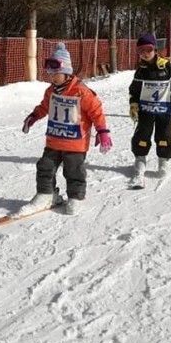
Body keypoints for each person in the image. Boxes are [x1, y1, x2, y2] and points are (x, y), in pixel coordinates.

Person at [20, 43, 111, 216]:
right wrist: (33, 116)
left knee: (74, 171)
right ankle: (47, 194)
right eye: (51, 74)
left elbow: (96, 111)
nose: (53, 78)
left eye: (56, 74)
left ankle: (75, 197)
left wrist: (103, 131)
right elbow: (44, 106)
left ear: (67, 72)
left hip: (76, 143)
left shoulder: (81, 92)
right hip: (54, 139)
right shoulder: (51, 91)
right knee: (45, 167)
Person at [128, 33, 171, 187]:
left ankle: (163, 161)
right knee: (142, 134)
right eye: (141, 51)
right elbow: (134, 89)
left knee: (165, 134)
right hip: (146, 110)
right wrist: (133, 104)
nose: (145, 54)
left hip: (164, 110)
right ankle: (140, 159)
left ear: (155, 50)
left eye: (148, 49)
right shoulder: (140, 70)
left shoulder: (166, 67)